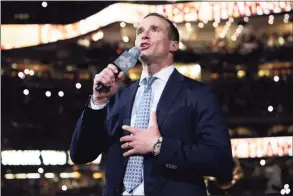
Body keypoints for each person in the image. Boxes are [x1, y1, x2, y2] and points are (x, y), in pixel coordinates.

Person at [70, 13, 233, 196]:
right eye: (140, 31)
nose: (144, 35)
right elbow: (80, 154)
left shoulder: (198, 94)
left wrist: (159, 146)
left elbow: (222, 162)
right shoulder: (118, 97)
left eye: (154, 29)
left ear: (174, 45)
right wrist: (98, 101)